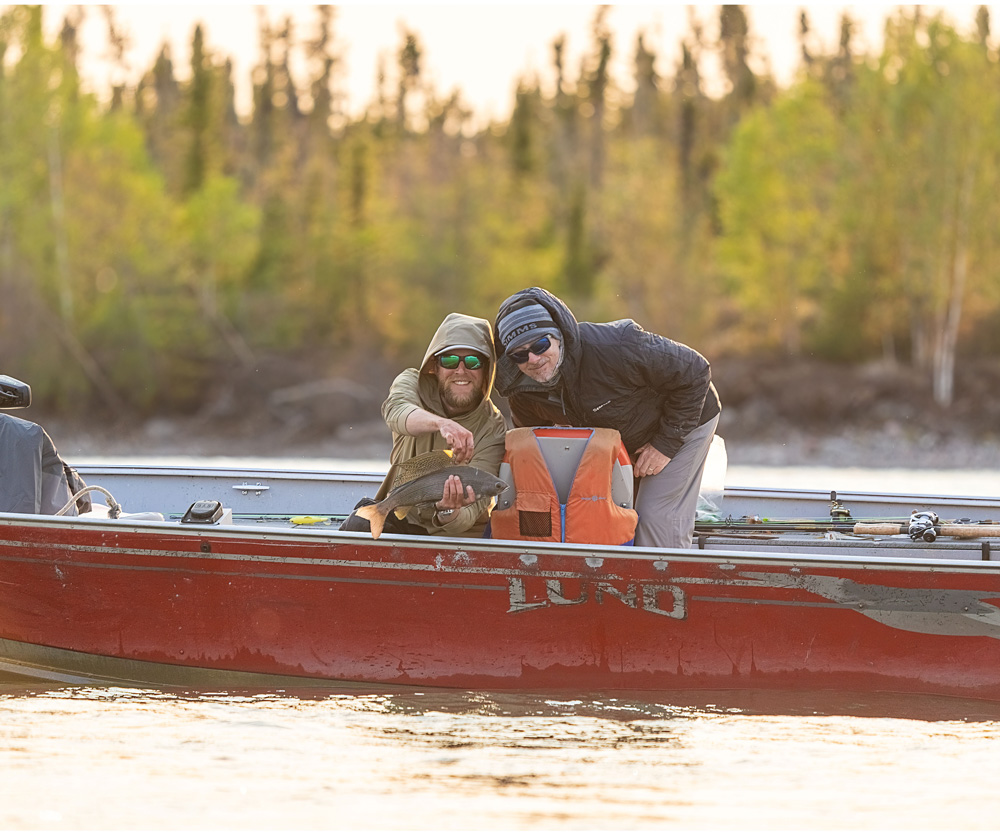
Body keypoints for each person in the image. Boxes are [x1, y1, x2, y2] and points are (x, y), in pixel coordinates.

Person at [493, 287, 721, 549]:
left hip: (682, 420)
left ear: (558, 337)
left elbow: (696, 370)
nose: (533, 359)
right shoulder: (522, 389)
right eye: (519, 354)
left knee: (654, 515)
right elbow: (533, 445)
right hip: (618, 441)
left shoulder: (617, 345)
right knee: (597, 513)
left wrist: (664, 445)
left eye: (540, 345)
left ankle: (665, 584)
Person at [341, 313, 508, 537]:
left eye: (472, 362)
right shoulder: (410, 383)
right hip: (400, 517)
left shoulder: (494, 426)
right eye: (449, 361)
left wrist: (449, 510)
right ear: (435, 366)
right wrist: (441, 424)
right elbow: (396, 412)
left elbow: (471, 513)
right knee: (358, 526)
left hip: (457, 536)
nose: (461, 370)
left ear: (486, 370)